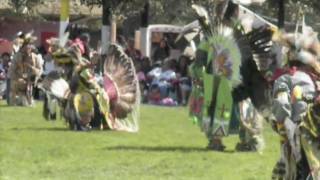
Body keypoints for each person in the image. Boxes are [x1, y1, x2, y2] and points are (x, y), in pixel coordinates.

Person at [8, 32, 42, 106]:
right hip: (18, 82)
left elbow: (39, 71)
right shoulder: (17, 57)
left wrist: (32, 72)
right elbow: (11, 72)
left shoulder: (35, 57)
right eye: (26, 46)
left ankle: (27, 99)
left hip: (30, 82)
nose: (28, 48)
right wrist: (18, 79)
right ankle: (14, 100)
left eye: (30, 46)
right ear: (22, 47)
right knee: (14, 86)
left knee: (27, 103)